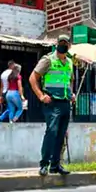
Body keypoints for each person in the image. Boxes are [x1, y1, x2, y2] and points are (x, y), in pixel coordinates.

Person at [30, 34, 76, 177]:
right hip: (52, 102)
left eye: (65, 43)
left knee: (61, 135)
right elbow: (33, 78)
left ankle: (55, 165)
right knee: (52, 132)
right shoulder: (48, 60)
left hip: (65, 102)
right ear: (57, 44)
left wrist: (71, 94)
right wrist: (41, 96)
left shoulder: (69, 62)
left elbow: (69, 81)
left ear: (69, 46)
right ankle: (44, 164)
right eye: (60, 42)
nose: (63, 45)